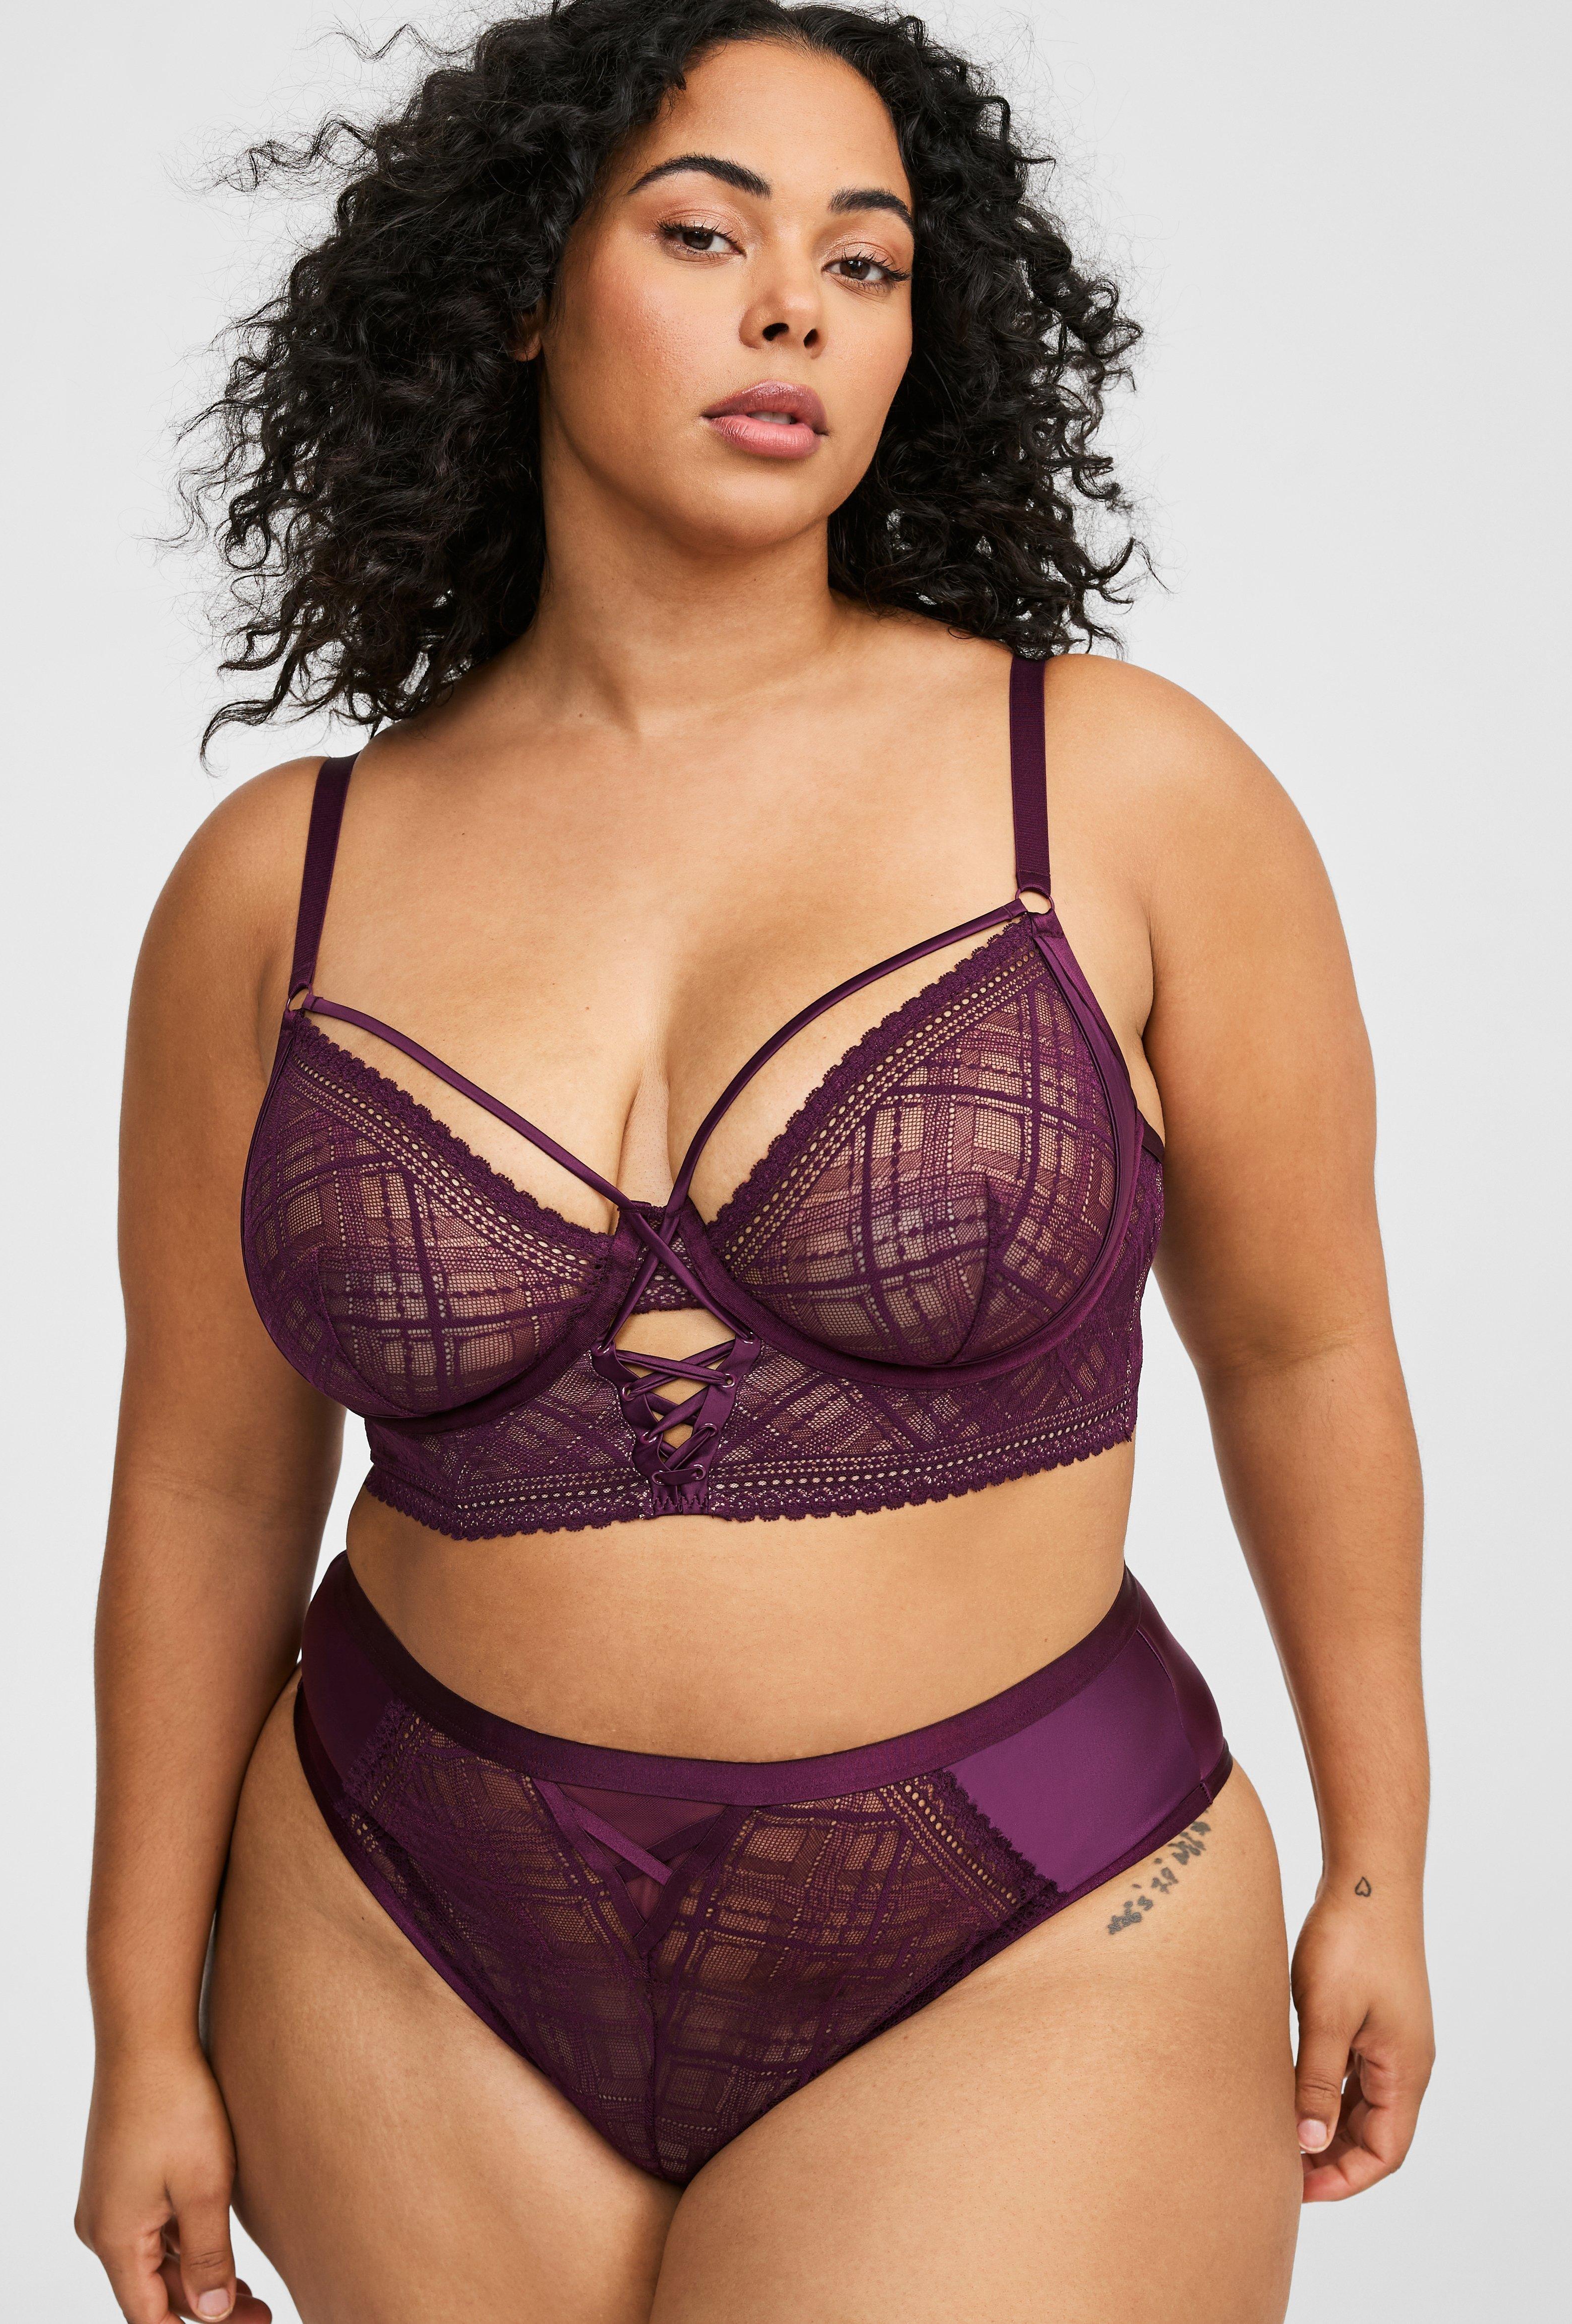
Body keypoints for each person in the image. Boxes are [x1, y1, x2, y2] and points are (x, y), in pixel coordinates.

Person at [75, 5, 1433, 2318]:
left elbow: (1301, 1352)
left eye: (862, 261)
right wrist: (134, 2023)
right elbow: (206, 1480)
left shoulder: (1115, 790)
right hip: (397, 1908)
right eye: (703, 235)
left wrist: (1378, 1867)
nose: (792, 306)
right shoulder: (277, 880)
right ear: (525, 285)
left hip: (1026, 1908)